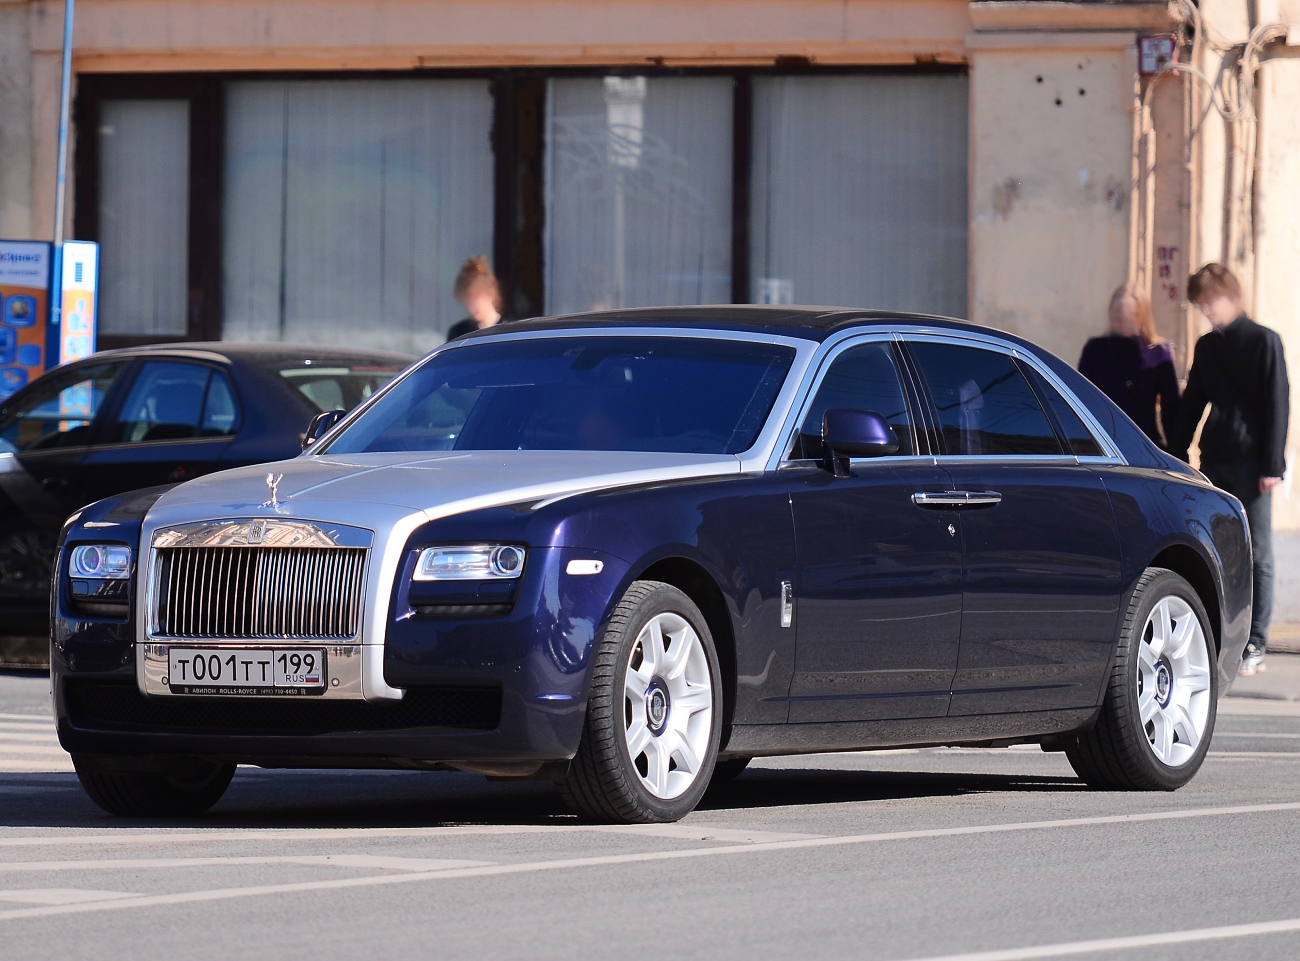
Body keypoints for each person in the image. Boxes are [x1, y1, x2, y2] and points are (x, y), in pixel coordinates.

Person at [1171, 263, 1290, 676]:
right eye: (1200, 305)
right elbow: (1192, 405)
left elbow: (1278, 404)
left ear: (1231, 297)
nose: (1206, 311)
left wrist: (1273, 465)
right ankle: (1226, 637)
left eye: (1210, 302)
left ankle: (1256, 640)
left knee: (1258, 553)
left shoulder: (1264, 342)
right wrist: (1174, 452)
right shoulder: (1208, 347)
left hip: (1254, 465)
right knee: (1220, 550)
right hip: (1216, 461)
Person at [1078, 284, 1180, 449]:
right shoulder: (1096, 349)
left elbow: (1171, 410)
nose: (1124, 320)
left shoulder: (1159, 352)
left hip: (1145, 444)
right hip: (1103, 444)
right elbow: (1082, 399)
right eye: (1118, 315)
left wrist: (1177, 454)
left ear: (1142, 316)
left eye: (1131, 315)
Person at [447, 255, 506, 341]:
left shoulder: (509, 331)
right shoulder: (458, 333)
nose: (471, 308)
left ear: (491, 294)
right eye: (467, 302)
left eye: (475, 299)